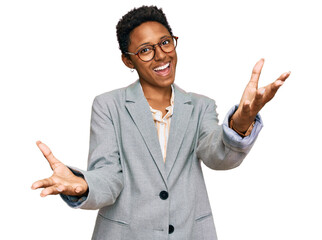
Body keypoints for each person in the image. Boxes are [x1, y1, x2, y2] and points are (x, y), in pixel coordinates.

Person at [31, 5, 290, 240]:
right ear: (127, 60)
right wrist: (84, 185)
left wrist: (241, 120)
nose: (160, 55)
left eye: (165, 42)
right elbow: (109, 176)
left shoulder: (200, 106)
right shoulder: (108, 105)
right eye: (145, 50)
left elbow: (217, 155)